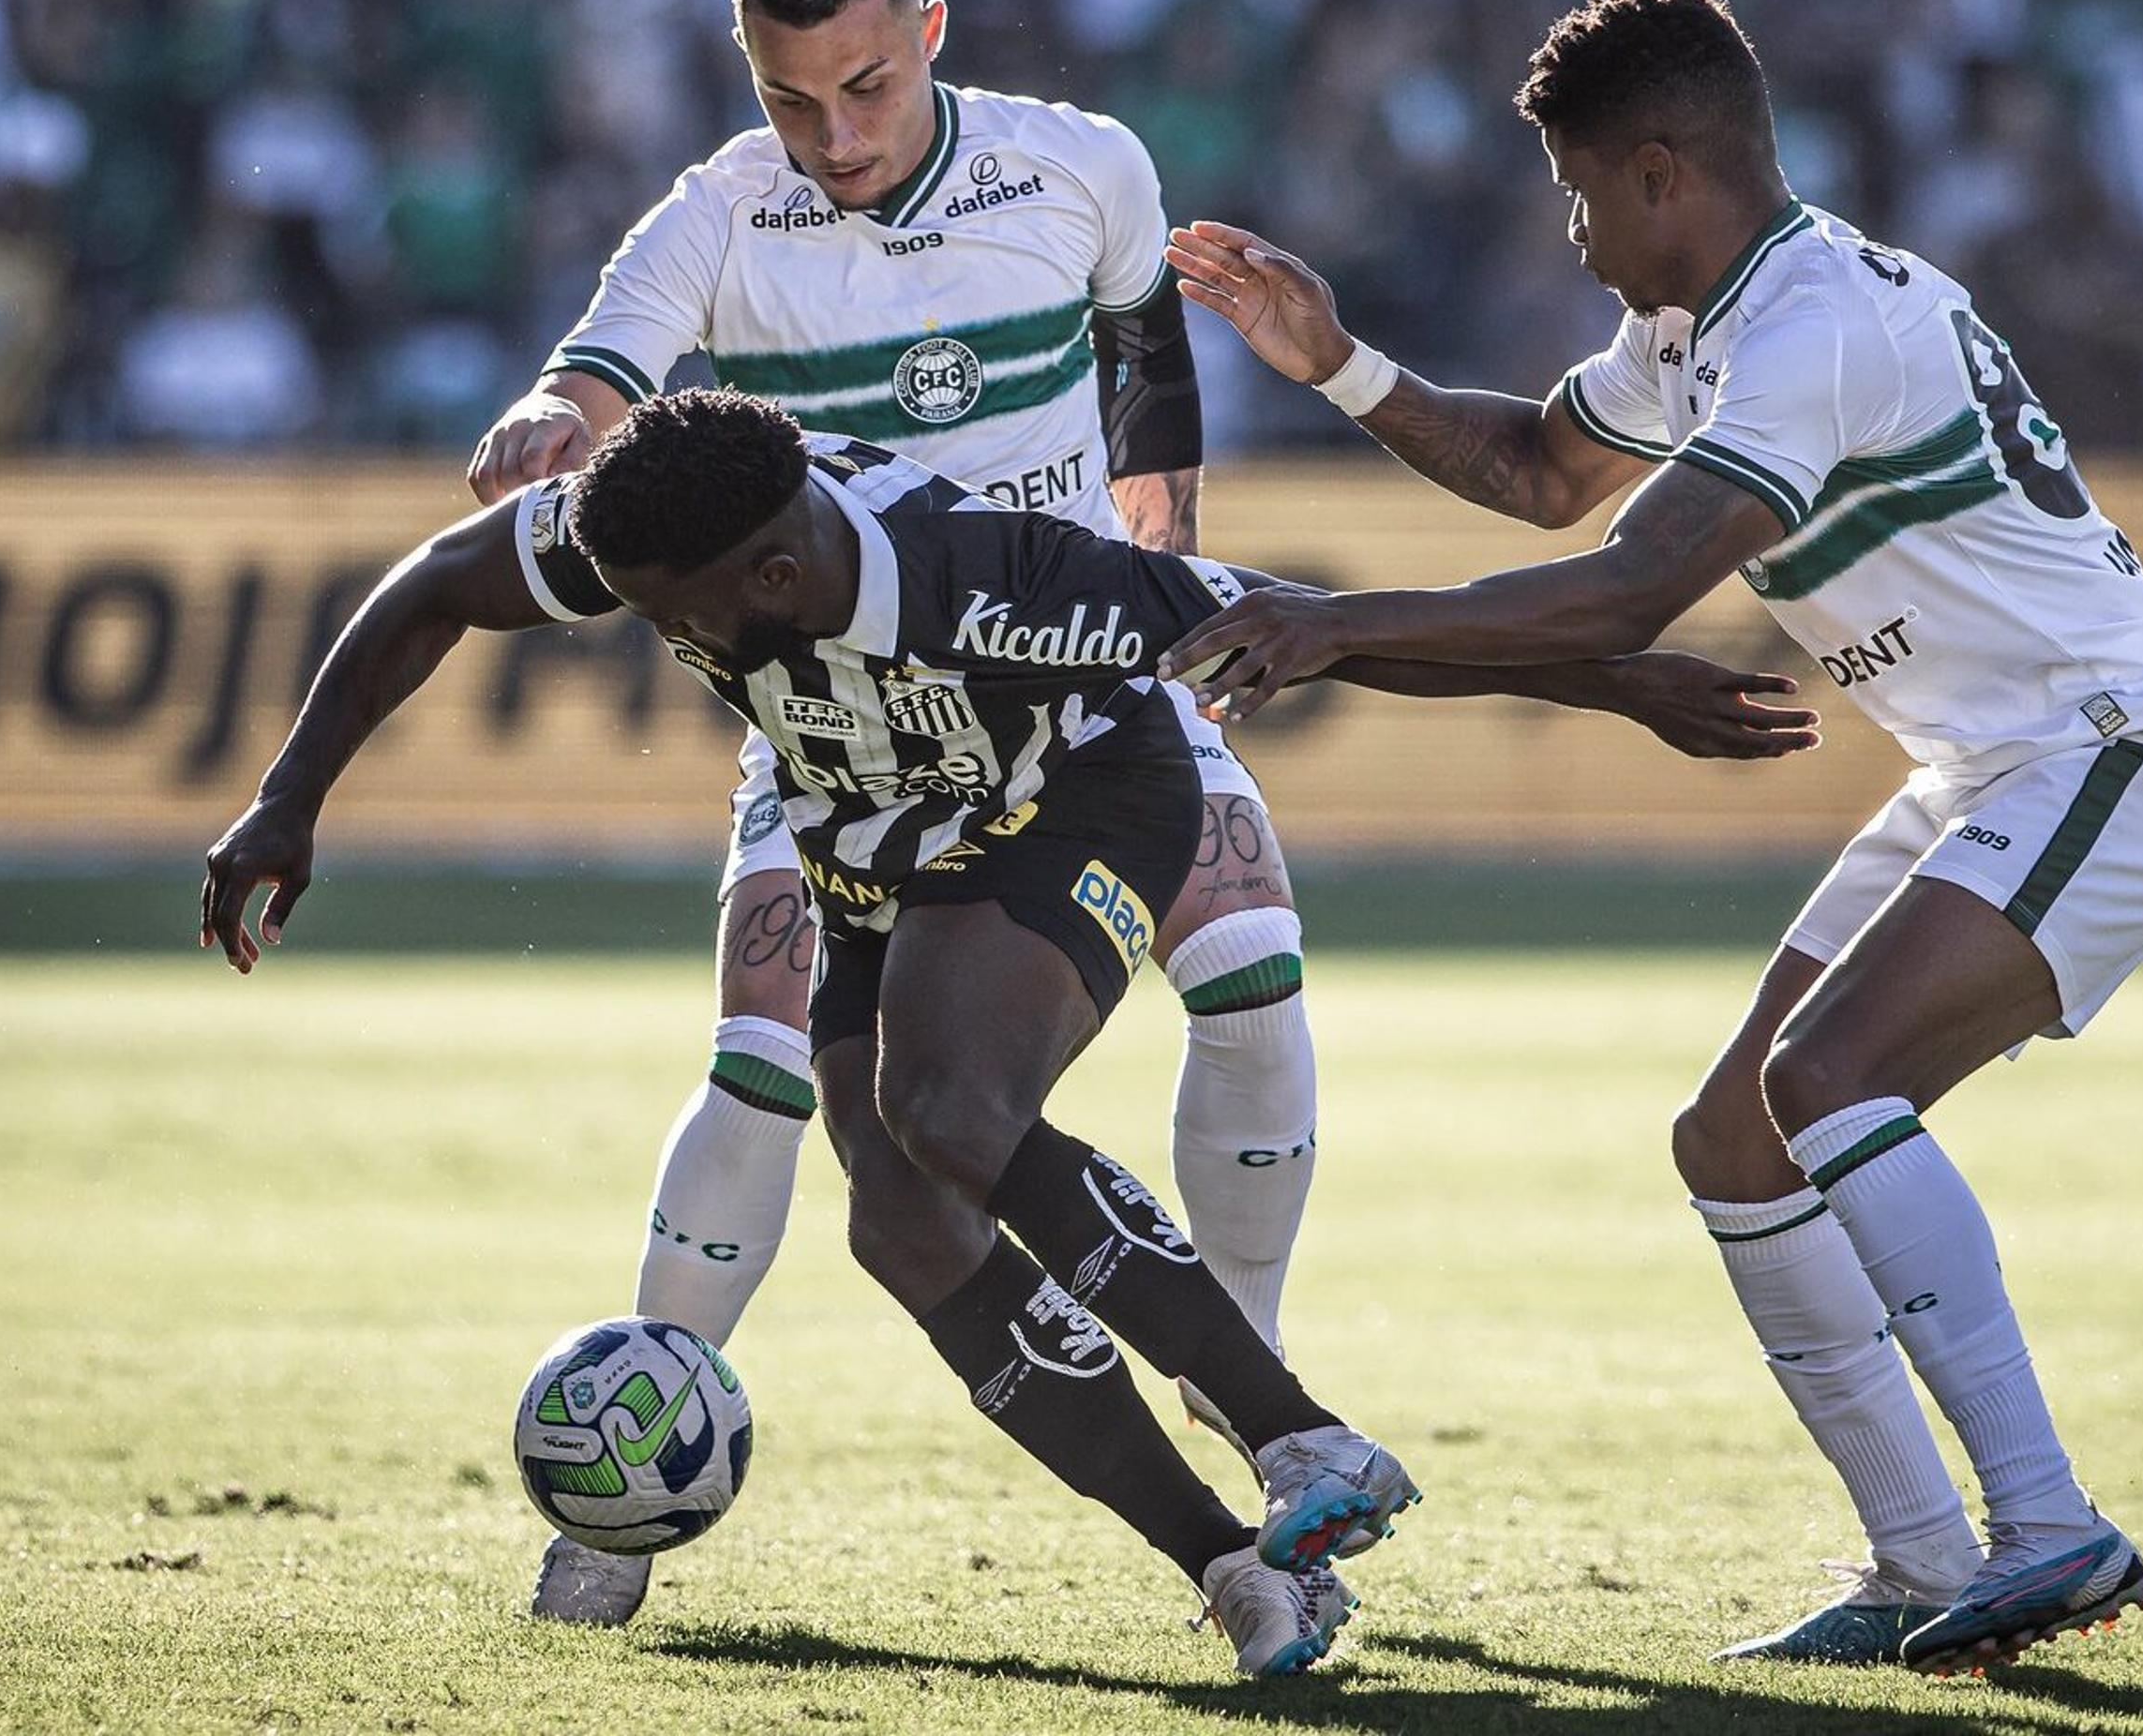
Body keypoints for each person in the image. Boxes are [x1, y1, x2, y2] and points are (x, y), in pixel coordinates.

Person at [200, 390, 1818, 1676]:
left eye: (662, 613)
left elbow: (1298, 626)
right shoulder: (660, 520)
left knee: (953, 1115)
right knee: (904, 1223)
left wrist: (1617, 683)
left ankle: (1302, 1436)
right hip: (868, 838)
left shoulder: (991, 577)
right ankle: (1238, 1573)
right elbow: (435, 583)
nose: (636, 625)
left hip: (1088, 794)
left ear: (773, 575)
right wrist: (285, 802)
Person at [1156, 0, 2143, 1676]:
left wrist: (1341, 625)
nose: (1576, 232)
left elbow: (1618, 589)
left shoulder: (1816, 331)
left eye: (1581, 190)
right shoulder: (1694, 332)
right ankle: (1916, 1565)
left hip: (2121, 738)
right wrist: (1344, 364)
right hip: (1992, 758)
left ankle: (2049, 1530)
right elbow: (1539, 470)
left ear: (1663, 170)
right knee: (1736, 1139)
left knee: (1829, 1088)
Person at [466, 0, 1339, 1625]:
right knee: (764, 1070)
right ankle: (612, 1516)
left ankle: (1248, 1392)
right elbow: (602, 367)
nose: (837, 136)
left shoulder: (1083, 167)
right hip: (843, 715)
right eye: (797, 102)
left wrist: (1163, 516)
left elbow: (1140, 347)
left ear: (929, 35)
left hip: (1072, 672)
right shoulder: (722, 211)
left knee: (1252, 975)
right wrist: (554, 423)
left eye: (867, 87)